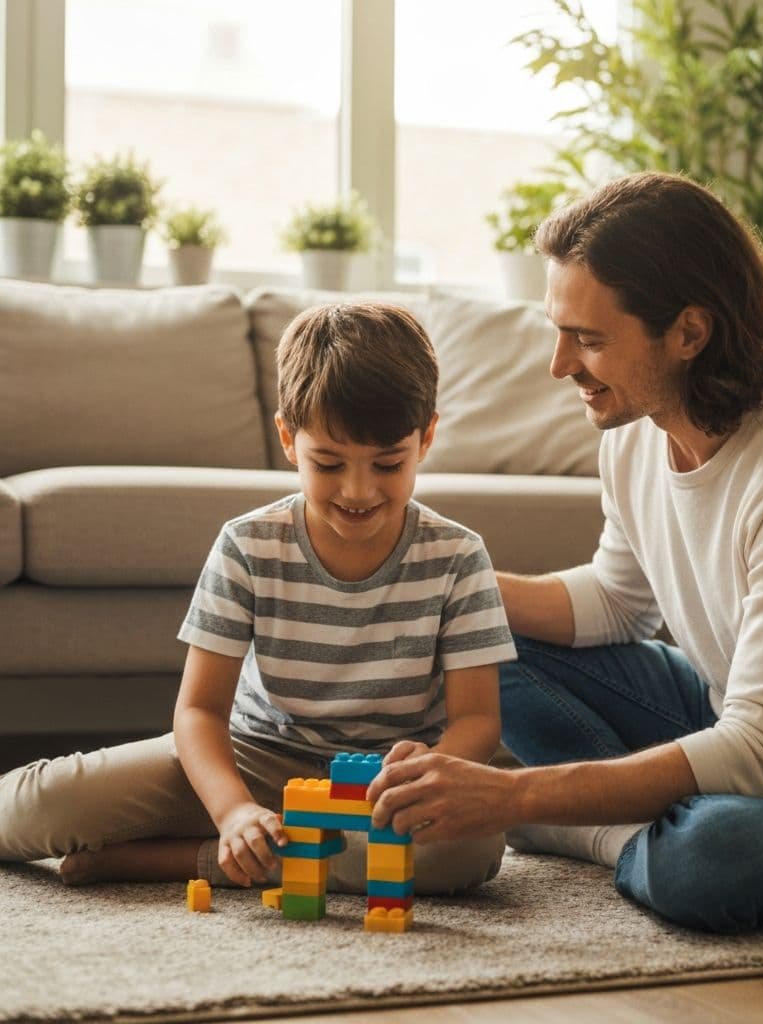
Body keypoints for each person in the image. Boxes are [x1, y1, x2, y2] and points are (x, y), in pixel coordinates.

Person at [365, 172, 763, 933]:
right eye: (559, 332)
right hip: (724, 716)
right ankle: (644, 816)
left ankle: (600, 828)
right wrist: (446, 584)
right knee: (483, 626)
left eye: (588, 339)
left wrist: (515, 799)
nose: (560, 366)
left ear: (689, 332)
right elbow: (619, 601)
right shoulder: (637, 434)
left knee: (709, 860)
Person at [0, 302, 515, 895]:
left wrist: (425, 774)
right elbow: (198, 712)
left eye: (388, 463)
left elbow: (478, 720)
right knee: (44, 808)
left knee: (468, 852)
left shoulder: (459, 557)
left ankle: (188, 861)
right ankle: (243, 841)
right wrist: (233, 811)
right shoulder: (248, 545)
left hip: (382, 788)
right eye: (329, 463)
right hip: (255, 758)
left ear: (425, 438)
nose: (358, 489)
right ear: (289, 440)